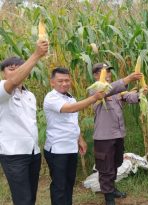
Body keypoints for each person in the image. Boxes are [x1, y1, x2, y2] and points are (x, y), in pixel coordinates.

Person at [43, 67, 105, 205]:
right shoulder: (51, 97)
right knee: (60, 185)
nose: (64, 83)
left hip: (71, 148)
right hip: (57, 149)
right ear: (52, 82)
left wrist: (80, 139)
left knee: (69, 183)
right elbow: (71, 109)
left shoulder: (70, 97)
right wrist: (94, 97)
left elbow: (72, 121)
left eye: (67, 80)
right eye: (60, 81)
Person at [89, 63, 144, 205]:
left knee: (116, 163)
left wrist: (142, 93)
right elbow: (108, 91)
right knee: (105, 168)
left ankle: (111, 189)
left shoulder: (116, 91)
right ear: (95, 75)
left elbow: (130, 98)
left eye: (108, 72)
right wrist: (127, 79)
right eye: (103, 72)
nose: (107, 75)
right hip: (104, 137)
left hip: (118, 135)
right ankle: (108, 197)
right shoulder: (95, 90)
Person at [0, 40, 48, 205]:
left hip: (33, 153)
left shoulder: (30, 96)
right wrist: (36, 55)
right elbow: (12, 82)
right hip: (13, 155)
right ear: (2, 74)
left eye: (19, 69)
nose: (15, 72)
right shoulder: (1, 91)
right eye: (10, 69)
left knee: (31, 198)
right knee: (23, 200)